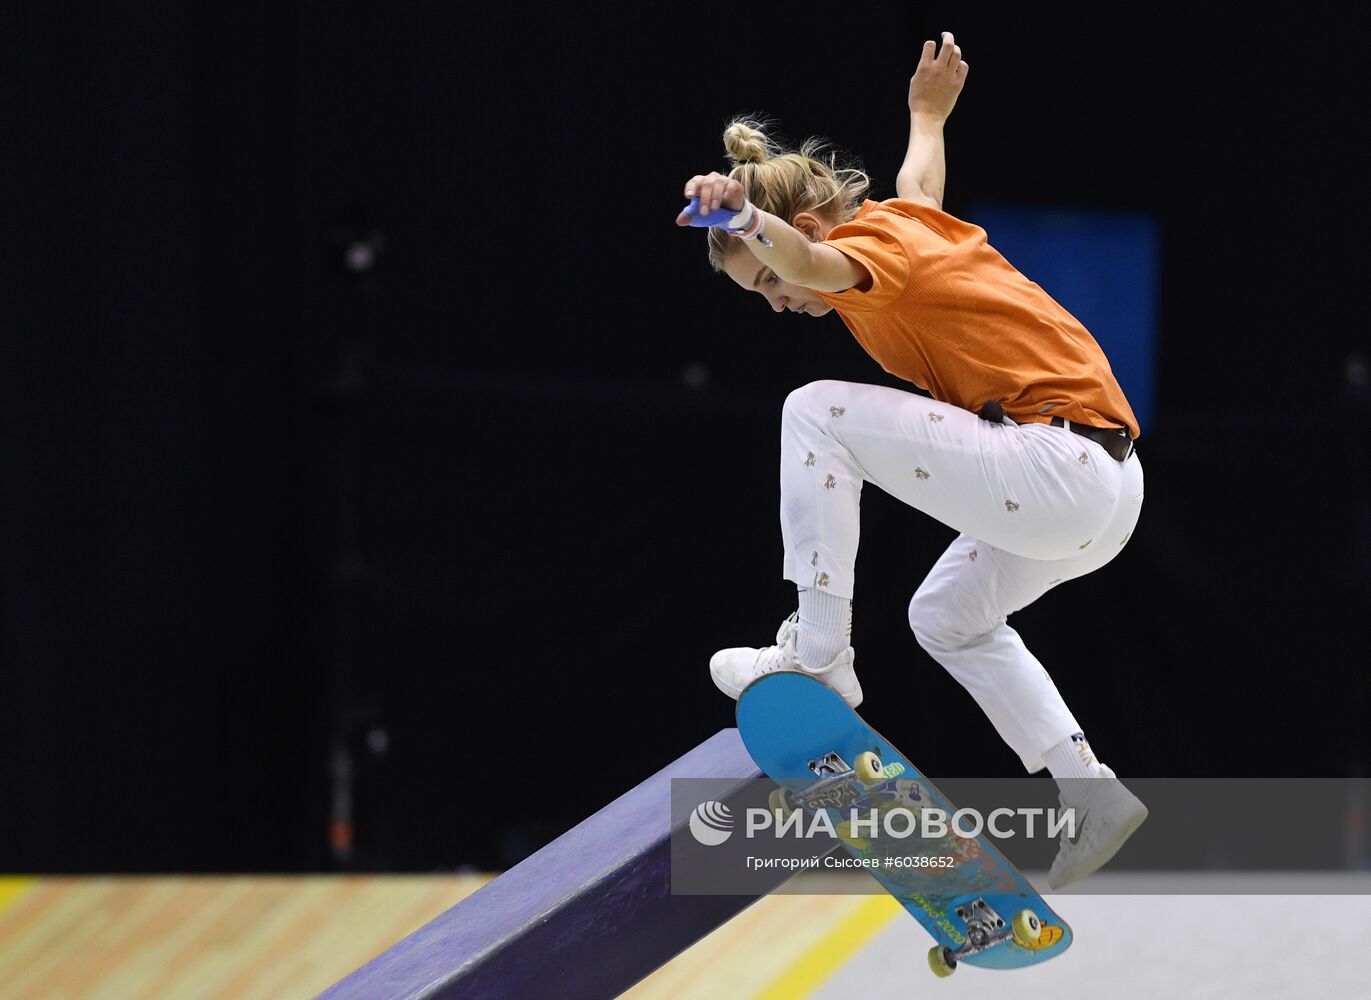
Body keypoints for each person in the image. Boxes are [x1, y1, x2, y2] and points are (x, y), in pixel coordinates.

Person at [676, 31, 1147, 888]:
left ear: (802, 230)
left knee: (812, 411)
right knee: (946, 618)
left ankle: (818, 652)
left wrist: (746, 220)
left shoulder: (865, 259)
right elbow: (918, 178)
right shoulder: (908, 225)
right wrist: (925, 114)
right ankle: (1089, 792)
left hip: (1055, 466)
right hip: (1107, 493)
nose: (779, 302)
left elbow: (813, 259)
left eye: (765, 284)